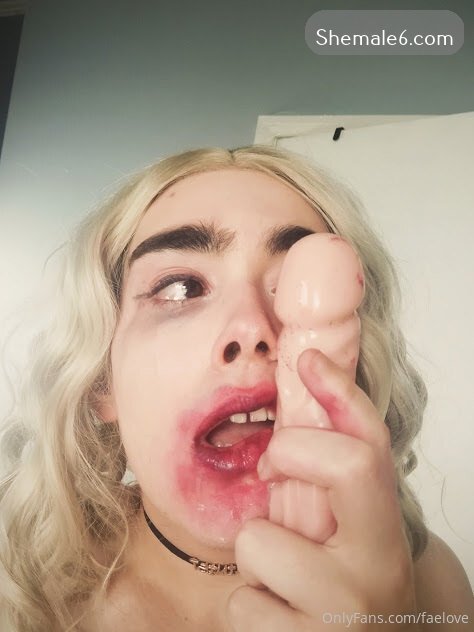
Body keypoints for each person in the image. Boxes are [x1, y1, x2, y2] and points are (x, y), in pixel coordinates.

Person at [0, 145, 472, 632]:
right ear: (103, 384)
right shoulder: (18, 587)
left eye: (294, 283)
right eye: (181, 287)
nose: (251, 329)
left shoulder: (429, 584)